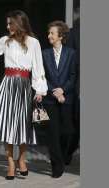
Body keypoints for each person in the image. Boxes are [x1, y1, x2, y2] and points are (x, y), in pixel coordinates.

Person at [0, 10, 47, 180]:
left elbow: (38, 67)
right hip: (8, 84)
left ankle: (22, 159)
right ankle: (10, 163)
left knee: (24, 124)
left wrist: (40, 90)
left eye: (10, 23)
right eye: (7, 23)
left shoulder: (33, 42)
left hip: (26, 86)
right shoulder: (6, 41)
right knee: (7, 124)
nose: (7, 26)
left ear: (19, 23)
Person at [42, 20, 76, 178]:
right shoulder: (44, 54)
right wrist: (54, 91)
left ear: (60, 36)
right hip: (50, 99)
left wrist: (63, 90)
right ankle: (57, 164)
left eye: (52, 33)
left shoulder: (71, 53)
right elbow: (41, 76)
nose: (49, 36)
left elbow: (73, 76)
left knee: (67, 132)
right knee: (53, 133)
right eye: (49, 33)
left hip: (66, 98)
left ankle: (62, 156)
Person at [65, 17, 80, 165]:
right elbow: (69, 62)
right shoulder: (74, 34)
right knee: (76, 123)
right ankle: (69, 150)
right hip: (79, 87)